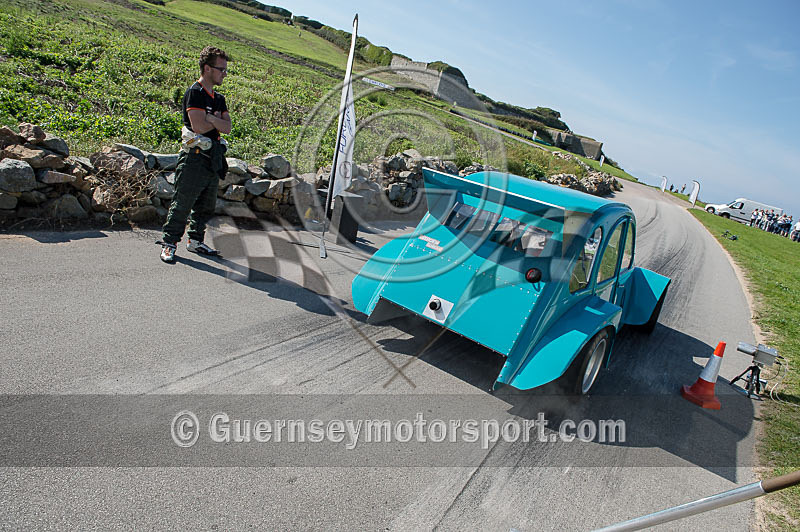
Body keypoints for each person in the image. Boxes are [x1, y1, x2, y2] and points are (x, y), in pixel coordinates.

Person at [159, 46, 231, 263]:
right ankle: (169, 243)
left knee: (206, 204)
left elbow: (226, 127)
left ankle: (195, 241)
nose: (224, 74)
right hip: (194, 157)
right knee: (183, 202)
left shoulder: (219, 98)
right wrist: (211, 120)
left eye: (226, 70)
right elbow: (198, 126)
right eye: (221, 69)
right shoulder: (195, 93)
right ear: (207, 68)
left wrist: (211, 118)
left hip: (212, 158)